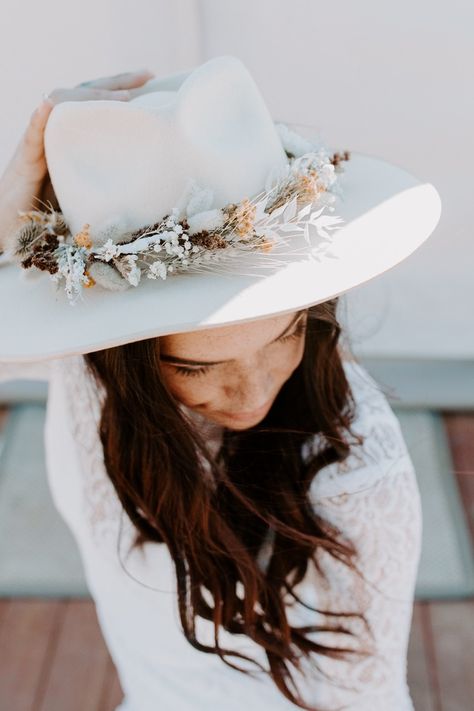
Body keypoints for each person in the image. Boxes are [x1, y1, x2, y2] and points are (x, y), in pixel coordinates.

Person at [0, 56, 441, 711]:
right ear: (120, 353)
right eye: (195, 367)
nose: (254, 393)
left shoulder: (358, 477)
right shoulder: (88, 368)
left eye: (286, 333)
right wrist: (15, 214)